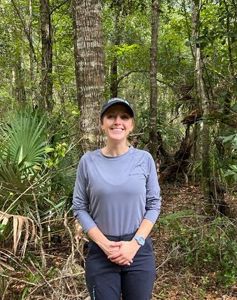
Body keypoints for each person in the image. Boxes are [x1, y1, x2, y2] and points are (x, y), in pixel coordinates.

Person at [72, 97, 161, 300]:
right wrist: (105, 245)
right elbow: (79, 207)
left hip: (138, 251)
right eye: (111, 116)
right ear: (102, 124)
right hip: (101, 253)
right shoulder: (88, 161)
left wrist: (134, 243)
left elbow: (154, 204)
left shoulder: (144, 159)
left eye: (124, 117)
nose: (117, 121)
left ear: (131, 125)